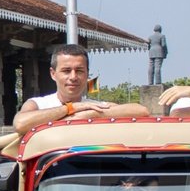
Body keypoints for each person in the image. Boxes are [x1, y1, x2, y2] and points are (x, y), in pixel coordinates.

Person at [13, 43, 150, 136]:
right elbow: (20, 124)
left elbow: (142, 111)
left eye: (79, 71)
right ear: (53, 73)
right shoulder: (38, 104)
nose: (73, 77)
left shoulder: (94, 107)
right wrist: (71, 108)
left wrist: (92, 115)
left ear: (87, 74)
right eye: (66, 71)